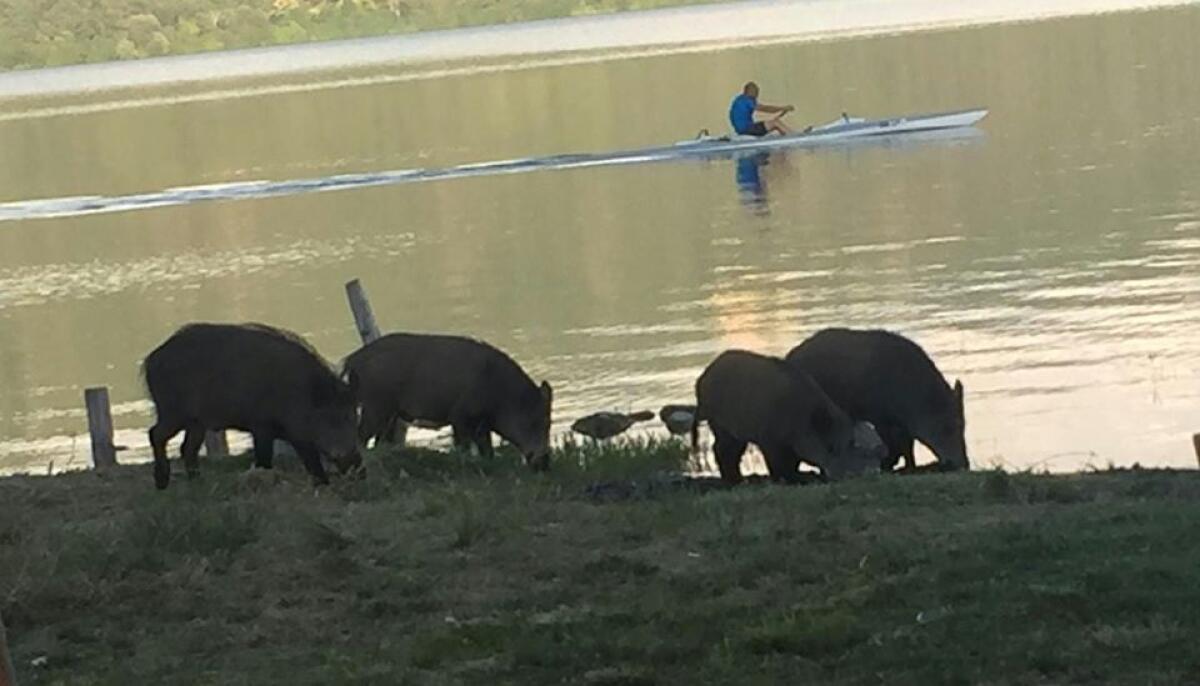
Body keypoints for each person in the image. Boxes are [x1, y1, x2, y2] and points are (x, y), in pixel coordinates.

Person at [729, 82, 794, 137]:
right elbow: (765, 109)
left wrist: (783, 110)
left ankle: (787, 137)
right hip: (747, 130)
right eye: (756, 92)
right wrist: (783, 108)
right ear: (749, 91)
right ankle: (793, 137)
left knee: (774, 123)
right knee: (775, 123)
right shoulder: (747, 100)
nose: (757, 94)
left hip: (741, 130)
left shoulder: (739, 99)